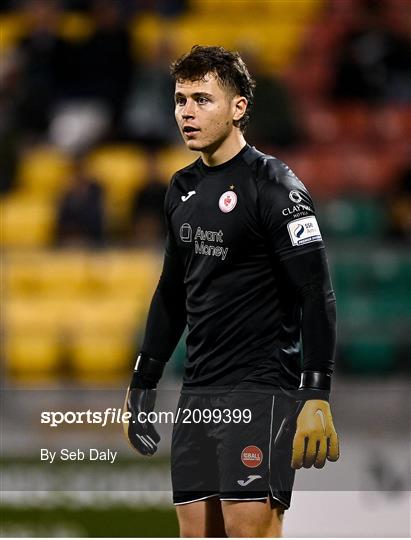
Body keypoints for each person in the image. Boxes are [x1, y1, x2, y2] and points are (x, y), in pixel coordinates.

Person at [123, 45, 339, 538]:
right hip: (198, 392)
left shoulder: (275, 186)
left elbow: (315, 293)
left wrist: (316, 394)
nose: (187, 112)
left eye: (203, 99)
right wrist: (144, 381)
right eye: (180, 100)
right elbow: (172, 292)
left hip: (261, 392)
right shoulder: (180, 188)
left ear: (239, 107)